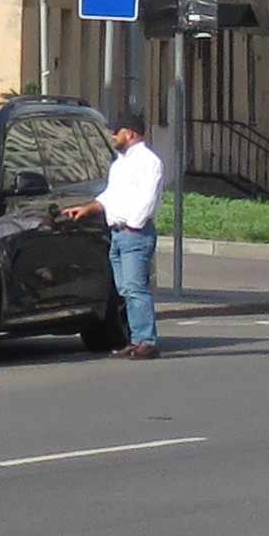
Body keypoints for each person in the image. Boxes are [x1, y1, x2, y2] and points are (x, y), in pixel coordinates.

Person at [97, 119, 166, 358]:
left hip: (134, 233)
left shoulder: (148, 161)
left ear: (131, 133)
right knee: (125, 289)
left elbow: (149, 198)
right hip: (117, 234)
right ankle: (137, 340)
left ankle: (147, 341)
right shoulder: (119, 164)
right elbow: (110, 195)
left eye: (117, 132)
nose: (112, 136)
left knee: (136, 288)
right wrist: (90, 207)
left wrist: (133, 226)